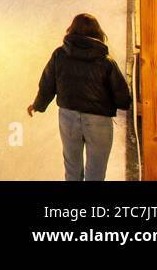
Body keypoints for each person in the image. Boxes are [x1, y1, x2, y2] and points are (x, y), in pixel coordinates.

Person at [26, 13, 131, 180]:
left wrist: (37, 105)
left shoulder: (59, 55)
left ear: (71, 30)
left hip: (68, 118)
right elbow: (122, 97)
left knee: (72, 169)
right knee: (96, 172)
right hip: (98, 122)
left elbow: (47, 84)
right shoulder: (106, 62)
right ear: (98, 33)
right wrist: (124, 103)